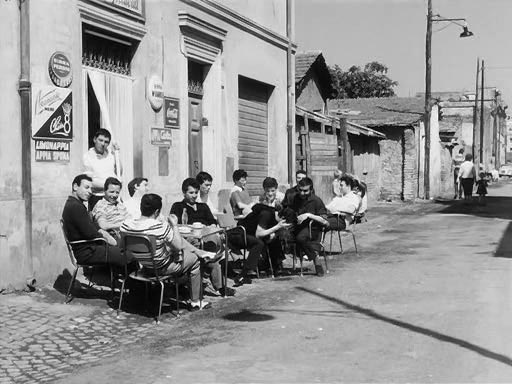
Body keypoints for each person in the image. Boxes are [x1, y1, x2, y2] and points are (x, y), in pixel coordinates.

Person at [121, 194, 235, 310]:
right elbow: (178, 246)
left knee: (188, 251)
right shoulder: (159, 227)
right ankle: (195, 301)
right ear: (157, 212)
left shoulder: (126, 225)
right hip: (162, 267)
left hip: (143, 266)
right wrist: (174, 226)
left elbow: (123, 248)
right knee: (196, 260)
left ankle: (196, 256)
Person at [62, 174, 131, 267]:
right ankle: (130, 281)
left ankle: (124, 278)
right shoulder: (75, 206)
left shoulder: (75, 203)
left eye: (91, 189)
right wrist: (107, 237)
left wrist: (101, 231)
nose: (90, 192)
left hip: (89, 248)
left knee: (124, 251)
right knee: (128, 254)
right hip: (87, 252)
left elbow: (91, 225)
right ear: (75, 187)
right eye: (86, 187)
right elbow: (90, 233)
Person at [289, 177, 329, 276]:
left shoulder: (316, 201)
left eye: (305, 191)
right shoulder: (295, 198)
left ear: (311, 190)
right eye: (300, 190)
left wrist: (308, 215)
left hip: (312, 228)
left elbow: (324, 221)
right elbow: (292, 211)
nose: (302, 193)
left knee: (300, 238)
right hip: (298, 226)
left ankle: (316, 260)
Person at [82, 129, 120, 211]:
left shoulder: (111, 155)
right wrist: (109, 188)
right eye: (100, 140)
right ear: (95, 140)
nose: (103, 144)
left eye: (106, 142)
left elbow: (119, 172)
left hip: (113, 197)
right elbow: (89, 180)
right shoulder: (88, 156)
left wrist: (117, 154)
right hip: (97, 197)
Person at [92, 177, 129, 242]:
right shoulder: (101, 205)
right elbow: (103, 225)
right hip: (114, 238)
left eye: (117, 192)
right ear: (104, 191)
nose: (114, 195)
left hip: (127, 235)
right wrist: (122, 225)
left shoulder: (120, 205)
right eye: (111, 192)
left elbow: (129, 219)